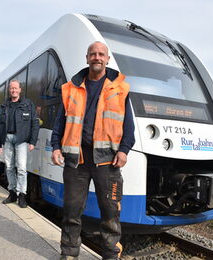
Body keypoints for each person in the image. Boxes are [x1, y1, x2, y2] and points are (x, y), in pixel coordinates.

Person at [51, 41, 135, 260]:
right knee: (71, 211)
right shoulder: (70, 88)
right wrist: (55, 147)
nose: (97, 57)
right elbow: (60, 122)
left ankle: (110, 254)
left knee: (110, 212)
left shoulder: (120, 88)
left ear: (107, 59)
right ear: (87, 58)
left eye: (101, 54)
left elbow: (129, 125)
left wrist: (124, 150)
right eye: (93, 54)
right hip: (75, 161)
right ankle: (69, 253)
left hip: (108, 162)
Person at [0, 80, 39, 208]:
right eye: (11, 88)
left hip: (21, 140)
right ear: (9, 90)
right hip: (8, 139)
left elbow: (34, 123)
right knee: (9, 167)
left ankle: (22, 195)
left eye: (16, 88)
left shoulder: (28, 104)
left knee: (21, 168)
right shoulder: (4, 106)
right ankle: (12, 192)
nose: (13, 90)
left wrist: (32, 141)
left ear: (20, 90)